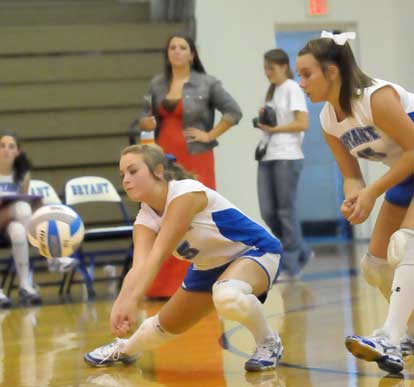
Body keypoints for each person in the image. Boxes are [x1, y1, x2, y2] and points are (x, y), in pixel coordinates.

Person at [84, 144, 283, 372]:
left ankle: (269, 342)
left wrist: (134, 299)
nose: (125, 180)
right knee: (160, 327)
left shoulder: (185, 194)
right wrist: (121, 302)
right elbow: (139, 266)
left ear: (158, 171)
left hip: (255, 251)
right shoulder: (145, 217)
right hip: (208, 268)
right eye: (122, 175)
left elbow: (158, 256)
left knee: (226, 295)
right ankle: (125, 348)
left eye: (133, 171)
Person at [296, 31, 414, 374]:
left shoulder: (376, 98)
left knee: (406, 244)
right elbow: (351, 175)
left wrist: (373, 192)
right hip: (405, 170)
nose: (301, 83)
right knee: (374, 265)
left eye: (306, 74)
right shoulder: (328, 120)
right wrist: (355, 196)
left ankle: (391, 336)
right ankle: (407, 332)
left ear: (332, 72)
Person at [139, 33, 242, 297]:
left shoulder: (207, 83)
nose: (176, 51)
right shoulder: (157, 83)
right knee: (164, 216)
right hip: (163, 157)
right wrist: (145, 127)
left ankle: (202, 280)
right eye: (172, 47)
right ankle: (162, 285)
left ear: (192, 54)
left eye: (182, 47)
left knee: (194, 217)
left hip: (196, 155)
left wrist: (210, 135)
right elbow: (145, 118)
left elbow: (234, 112)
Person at [255, 48, 313, 280]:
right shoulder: (272, 92)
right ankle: (303, 251)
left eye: (271, 67)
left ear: (283, 66)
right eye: (265, 68)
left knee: (285, 211)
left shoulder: (291, 88)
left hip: (287, 156)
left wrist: (275, 128)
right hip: (268, 154)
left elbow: (303, 123)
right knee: (268, 212)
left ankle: (290, 262)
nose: (267, 72)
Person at [0, 132, 42, 307]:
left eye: (11, 146)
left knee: (19, 229)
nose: (6, 150)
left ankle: (25, 285)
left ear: (18, 151)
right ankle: (48, 253)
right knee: (21, 208)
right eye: (2, 146)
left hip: (9, 223)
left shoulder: (22, 174)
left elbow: (24, 200)